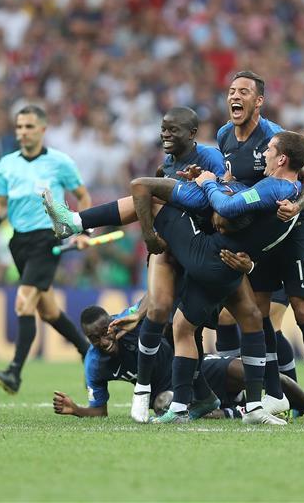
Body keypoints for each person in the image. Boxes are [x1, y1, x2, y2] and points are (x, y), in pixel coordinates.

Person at [44, 106, 227, 422]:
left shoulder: (210, 158)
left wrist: (152, 232)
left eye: (173, 129)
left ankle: (261, 399)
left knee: (246, 317)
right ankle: (187, 397)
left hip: (203, 246)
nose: (165, 134)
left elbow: (223, 197)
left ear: (192, 133)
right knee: (169, 320)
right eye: (163, 128)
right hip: (174, 249)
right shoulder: (168, 164)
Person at [130, 131, 304, 425]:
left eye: (269, 150)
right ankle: (253, 407)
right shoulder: (291, 193)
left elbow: (226, 208)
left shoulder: (274, 187)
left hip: (212, 256)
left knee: (150, 197)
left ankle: (175, 405)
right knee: (251, 318)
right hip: (234, 265)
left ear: (281, 158)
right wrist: (226, 184)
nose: (263, 154)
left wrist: (208, 183)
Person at [216, 71, 304, 424]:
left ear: (258, 101)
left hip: (292, 233)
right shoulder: (224, 136)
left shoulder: (275, 138)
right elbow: (231, 180)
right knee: (258, 312)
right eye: (232, 90)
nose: (235, 97)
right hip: (260, 240)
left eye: (244, 91)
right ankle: (277, 394)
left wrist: (298, 205)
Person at [53, 303, 304, 420]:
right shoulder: (94, 364)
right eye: (95, 339)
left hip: (195, 366)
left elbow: (156, 299)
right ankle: (238, 412)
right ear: (88, 340)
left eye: (105, 333)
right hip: (165, 392)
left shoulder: (129, 323)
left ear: (111, 325)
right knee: (166, 404)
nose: (104, 341)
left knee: (255, 373)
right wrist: (76, 410)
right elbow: (100, 411)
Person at [0, 105, 92, 395]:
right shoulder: (6, 164)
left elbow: (82, 196)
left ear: (42, 129)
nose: (22, 132)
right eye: (19, 127)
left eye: (29, 127)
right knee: (48, 311)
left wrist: (83, 231)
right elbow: (2, 205)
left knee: (23, 303)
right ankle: (88, 351)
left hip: (47, 238)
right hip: (19, 241)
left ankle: (14, 373)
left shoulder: (60, 162)